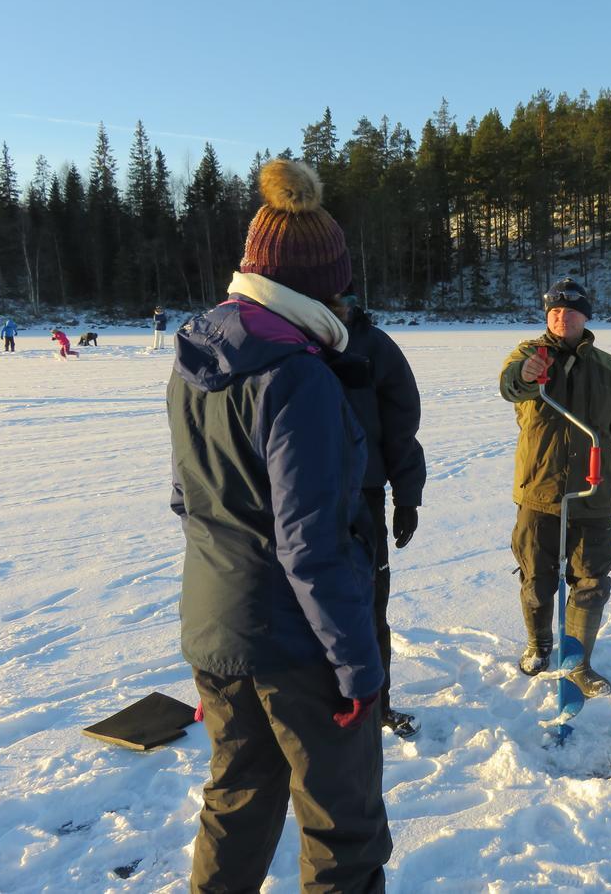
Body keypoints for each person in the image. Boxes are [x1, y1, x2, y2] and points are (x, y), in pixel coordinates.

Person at [167, 158, 391, 892]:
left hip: (219, 631)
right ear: (319, 283)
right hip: (299, 646)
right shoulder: (296, 375)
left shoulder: (197, 359)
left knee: (237, 800)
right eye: (338, 282)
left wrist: (225, 637)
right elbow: (312, 545)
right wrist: (357, 665)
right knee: (341, 824)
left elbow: (188, 503)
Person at [499, 278, 611, 697]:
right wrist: (527, 373)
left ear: (585, 317)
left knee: (591, 580)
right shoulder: (529, 355)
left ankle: (578, 662)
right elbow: (509, 386)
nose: (560, 317)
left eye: (569, 312)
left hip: (592, 492)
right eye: (553, 311)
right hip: (539, 491)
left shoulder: (609, 369)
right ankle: (539, 645)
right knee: (536, 577)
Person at [331, 292, 426, 739]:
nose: (335, 305)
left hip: (362, 497)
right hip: (289, 497)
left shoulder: (373, 346)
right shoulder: (285, 340)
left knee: (369, 607)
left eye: (341, 297)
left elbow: (401, 424)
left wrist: (407, 496)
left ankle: (376, 705)